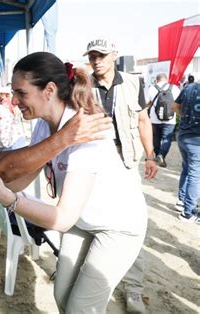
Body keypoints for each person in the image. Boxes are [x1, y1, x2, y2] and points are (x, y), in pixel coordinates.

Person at [0, 51, 147, 313]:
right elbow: (20, 179)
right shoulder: (45, 126)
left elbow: (62, 219)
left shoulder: (84, 130)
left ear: (49, 89)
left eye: (21, 93)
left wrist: (3, 197)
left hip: (117, 227)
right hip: (84, 221)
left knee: (80, 308)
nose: (14, 101)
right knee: (62, 295)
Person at [85, 37, 156, 313]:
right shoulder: (82, 86)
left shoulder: (133, 83)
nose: (97, 60)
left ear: (114, 55)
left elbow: (142, 120)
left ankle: (134, 288)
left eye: (101, 54)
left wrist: (150, 155)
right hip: (92, 164)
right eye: (92, 56)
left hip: (125, 163)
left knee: (131, 225)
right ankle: (89, 276)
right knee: (90, 222)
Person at [172, 82, 200, 224]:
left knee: (187, 169)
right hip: (196, 141)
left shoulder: (189, 87)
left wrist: (187, 119)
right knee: (195, 175)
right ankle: (188, 213)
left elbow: (175, 107)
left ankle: (182, 202)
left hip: (183, 135)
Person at [147, 73, 180, 168]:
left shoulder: (152, 88)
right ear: (167, 80)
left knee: (156, 137)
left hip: (154, 119)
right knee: (167, 138)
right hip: (170, 120)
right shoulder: (174, 88)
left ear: (156, 80)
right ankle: (161, 155)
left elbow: (146, 102)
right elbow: (178, 104)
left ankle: (158, 155)